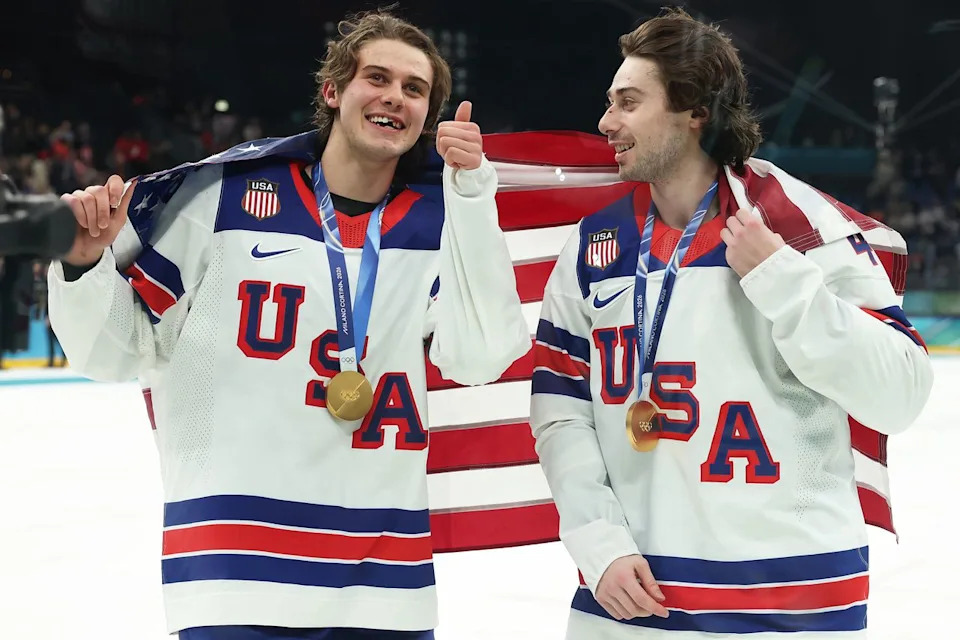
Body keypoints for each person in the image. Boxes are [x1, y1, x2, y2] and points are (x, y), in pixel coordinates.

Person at [48, 10, 529, 640]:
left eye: (415, 90)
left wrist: (472, 198)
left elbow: (481, 357)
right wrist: (84, 265)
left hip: (383, 583)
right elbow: (119, 353)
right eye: (377, 77)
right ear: (332, 91)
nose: (394, 97)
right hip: (232, 575)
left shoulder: (438, 221)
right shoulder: (220, 198)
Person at [530, 8, 933, 639]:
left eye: (628, 103)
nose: (606, 123)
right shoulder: (591, 247)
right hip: (630, 603)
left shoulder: (799, 228)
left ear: (694, 110)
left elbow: (902, 391)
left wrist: (783, 280)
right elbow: (560, 409)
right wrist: (595, 540)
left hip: (793, 604)